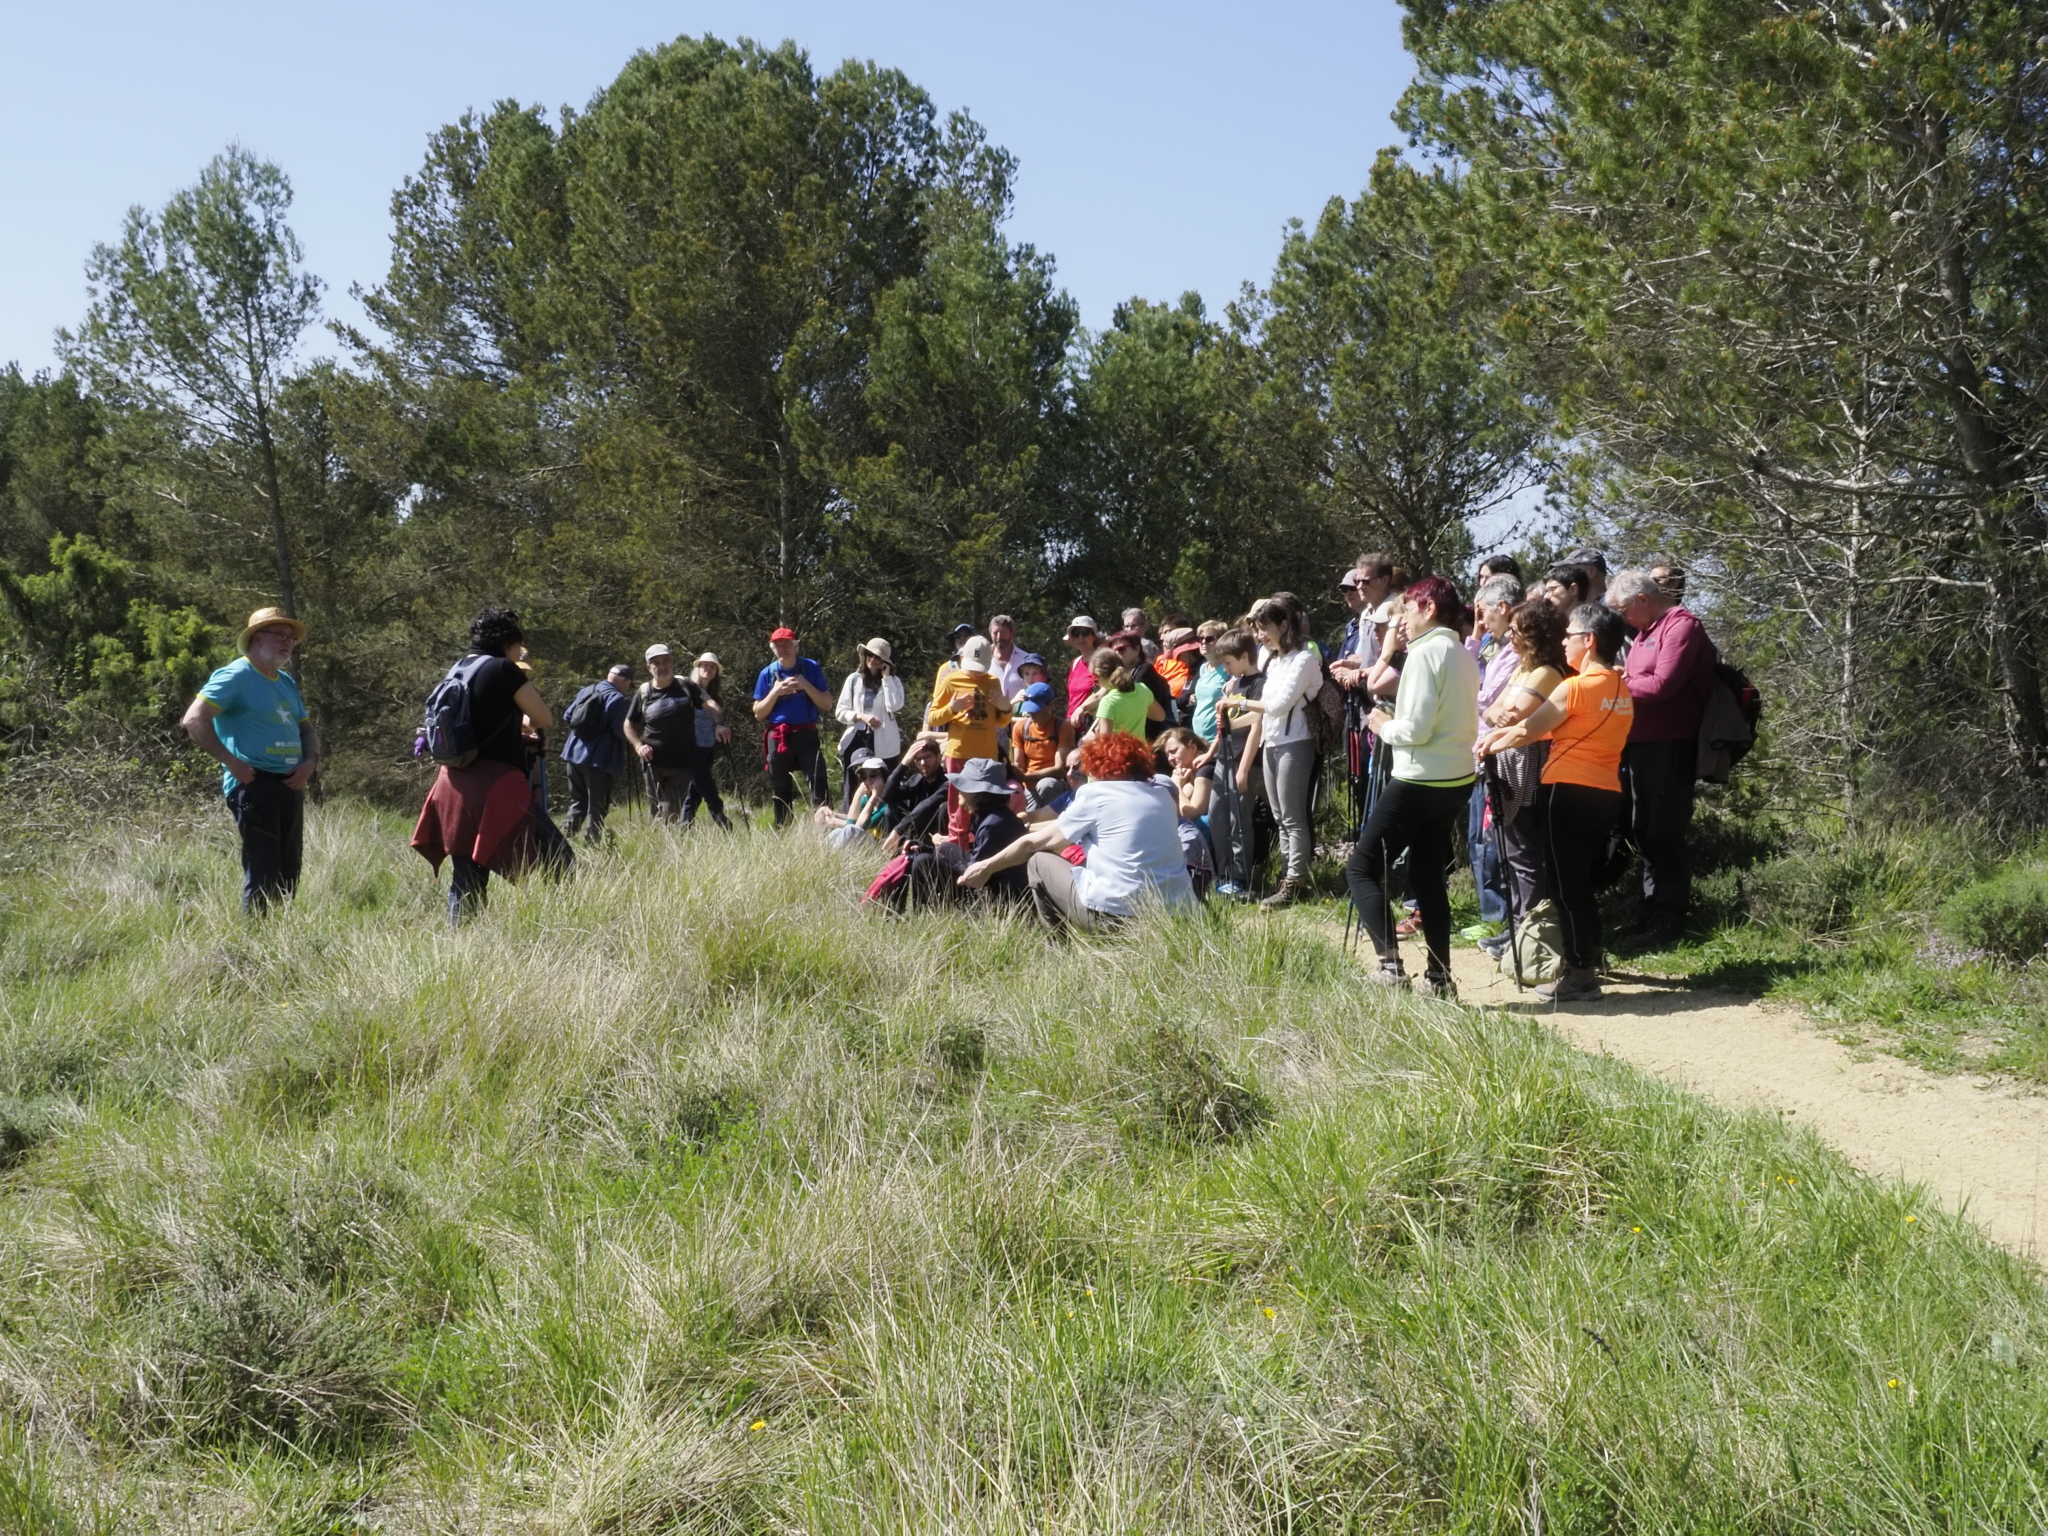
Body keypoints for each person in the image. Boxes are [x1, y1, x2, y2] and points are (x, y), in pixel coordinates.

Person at [1481, 605, 1635, 1001]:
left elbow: (1529, 730)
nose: (1564, 642)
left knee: (1565, 887)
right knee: (1581, 883)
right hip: (1606, 793)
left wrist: (1489, 744)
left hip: (1566, 791)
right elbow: (1559, 727)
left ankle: (1579, 974)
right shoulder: (1621, 688)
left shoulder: (1575, 687)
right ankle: (1590, 957)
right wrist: (1502, 736)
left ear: (1590, 640)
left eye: (1571, 635)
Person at [1344, 577, 1482, 996]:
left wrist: (1384, 726)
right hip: (1457, 777)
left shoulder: (1425, 653)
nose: (1400, 620)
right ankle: (1439, 978)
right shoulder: (1462, 652)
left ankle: (1390, 968)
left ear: (1428, 609)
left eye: (1406, 609)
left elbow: (1416, 729)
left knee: (1361, 868)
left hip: (1420, 777)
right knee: (1427, 876)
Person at [411, 607, 571, 923]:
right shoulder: (503, 669)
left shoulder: (458, 669)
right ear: (508, 642)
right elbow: (544, 717)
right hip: (494, 787)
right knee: (559, 857)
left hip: (452, 785)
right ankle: (562, 926)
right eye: (517, 646)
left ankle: (460, 944)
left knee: (467, 878)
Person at [958, 730, 1195, 928]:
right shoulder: (1163, 792)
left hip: (1117, 918)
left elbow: (1032, 844)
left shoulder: (1096, 794)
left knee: (1039, 861)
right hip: (1179, 915)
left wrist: (986, 867)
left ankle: (1058, 945)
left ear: (1099, 768)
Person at [182, 607, 318, 913]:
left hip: (290, 785)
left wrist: (309, 763)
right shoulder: (236, 675)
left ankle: (281, 934)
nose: (287, 643)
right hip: (254, 785)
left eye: (291, 638)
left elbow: (307, 731)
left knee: (289, 870)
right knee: (262, 871)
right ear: (257, 638)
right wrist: (232, 762)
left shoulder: (286, 683)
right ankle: (254, 937)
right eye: (280, 635)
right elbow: (194, 719)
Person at [1608, 568, 1717, 939]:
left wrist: (1620, 683)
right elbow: (1642, 680)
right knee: (1643, 829)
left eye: (1624, 610)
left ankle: (1670, 915)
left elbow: (1662, 686)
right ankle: (1649, 909)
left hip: (1671, 746)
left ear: (1643, 599)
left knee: (1664, 830)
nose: (1624, 620)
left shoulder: (1682, 627)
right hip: (1641, 746)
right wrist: (1626, 679)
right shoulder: (1645, 631)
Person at [1483, 600, 1573, 927]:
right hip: (1507, 760)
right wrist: (1499, 715)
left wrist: (1502, 716)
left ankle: (1530, 929)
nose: (1510, 636)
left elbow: (1516, 715)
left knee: (1524, 851)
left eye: (1516, 630)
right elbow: (1490, 710)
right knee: (1512, 851)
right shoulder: (1523, 669)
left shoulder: (1547, 672)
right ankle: (1517, 926)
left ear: (1534, 634)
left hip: (1528, 766)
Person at [1232, 596, 1322, 909]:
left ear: (1284, 625)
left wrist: (1239, 702)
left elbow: (1279, 705)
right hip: (1272, 742)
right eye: (1257, 630)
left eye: (1264, 628)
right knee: (1280, 815)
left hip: (1296, 742)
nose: (1260, 636)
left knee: (1293, 816)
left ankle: (1296, 881)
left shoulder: (1304, 659)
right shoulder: (1274, 661)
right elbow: (1268, 704)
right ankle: (1287, 876)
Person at [1462, 575, 1525, 934]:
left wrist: (1472, 697)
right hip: (1480, 751)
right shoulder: (1495, 646)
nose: (1481, 619)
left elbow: (1486, 699)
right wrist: (1474, 636)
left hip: (1500, 754)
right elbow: (1472, 681)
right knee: (1477, 838)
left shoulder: (1515, 651)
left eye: (1483, 611)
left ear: (1502, 607)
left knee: (1494, 840)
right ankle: (1492, 916)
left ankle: (1501, 919)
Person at [928, 635, 1014, 843]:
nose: (976, 672)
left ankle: (986, 845)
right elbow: (932, 717)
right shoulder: (950, 680)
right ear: (962, 659)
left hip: (986, 756)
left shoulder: (992, 682)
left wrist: (1006, 709)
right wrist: (952, 708)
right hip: (959, 754)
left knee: (988, 803)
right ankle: (957, 849)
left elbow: (1001, 722)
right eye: (973, 667)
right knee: (959, 808)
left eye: (980, 667)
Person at [1200, 628, 1263, 899]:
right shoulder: (1234, 684)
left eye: (1228, 663)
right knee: (1216, 815)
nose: (1225, 668)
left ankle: (1241, 878)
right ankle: (1223, 874)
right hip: (1223, 758)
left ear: (1244, 656)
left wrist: (1244, 769)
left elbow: (1256, 727)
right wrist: (1210, 754)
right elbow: (1223, 726)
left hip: (1243, 761)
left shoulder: (1259, 684)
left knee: (1239, 820)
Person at [752, 626, 833, 826]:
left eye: (787, 645)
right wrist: (776, 692)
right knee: (780, 788)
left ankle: (825, 830)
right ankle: (784, 829)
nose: (783, 649)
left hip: (807, 734)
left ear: (796, 646)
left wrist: (805, 685)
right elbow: (759, 713)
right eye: (778, 646)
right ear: (773, 650)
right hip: (778, 737)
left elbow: (827, 704)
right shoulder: (767, 674)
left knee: (819, 782)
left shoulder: (811, 667)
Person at [625, 644, 709, 824]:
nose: (662, 666)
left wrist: (720, 724)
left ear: (672, 662)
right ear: (648, 667)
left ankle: (666, 837)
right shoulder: (644, 692)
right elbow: (628, 723)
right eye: (656, 663)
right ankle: (659, 840)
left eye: (666, 661)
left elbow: (710, 704)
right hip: (651, 762)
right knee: (655, 811)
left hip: (681, 762)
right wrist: (638, 746)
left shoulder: (686, 685)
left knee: (671, 811)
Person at [559, 663, 634, 842]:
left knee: (578, 802)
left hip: (572, 754)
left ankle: (562, 841)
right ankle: (593, 843)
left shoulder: (587, 691)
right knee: (597, 805)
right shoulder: (617, 699)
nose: (628, 688)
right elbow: (621, 731)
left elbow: (568, 716)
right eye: (630, 684)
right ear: (624, 681)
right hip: (598, 760)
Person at [835, 638, 906, 807]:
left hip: (884, 740)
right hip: (857, 737)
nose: (873, 660)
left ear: (885, 662)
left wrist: (886, 678)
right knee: (854, 783)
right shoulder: (853, 680)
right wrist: (861, 716)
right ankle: (851, 818)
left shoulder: (893, 681)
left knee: (883, 782)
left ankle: (882, 818)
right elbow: (840, 712)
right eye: (870, 655)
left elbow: (894, 705)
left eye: (878, 657)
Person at [1159, 726, 1215, 884]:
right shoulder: (1191, 772)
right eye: (1167, 754)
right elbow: (1177, 810)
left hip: (1220, 832)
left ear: (1192, 748)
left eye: (1173, 751)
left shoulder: (1205, 769)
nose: (1170, 758)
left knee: (1197, 824)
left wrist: (1176, 785)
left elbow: (1192, 813)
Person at [684, 653, 733, 828]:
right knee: (706, 786)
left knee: (695, 790)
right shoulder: (687, 690)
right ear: (698, 668)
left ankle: (684, 825)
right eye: (705, 665)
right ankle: (722, 821)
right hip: (692, 747)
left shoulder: (714, 696)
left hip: (708, 746)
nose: (708, 669)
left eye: (712, 667)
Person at [1075, 644, 1165, 740]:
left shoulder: (1108, 702)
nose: (1096, 681)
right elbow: (1160, 716)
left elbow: (1105, 743)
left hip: (1119, 750)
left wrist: (1093, 737)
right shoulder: (1142, 689)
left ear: (1100, 675)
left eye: (1095, 677)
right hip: (1140, 748)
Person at [881, 736, 950, 846]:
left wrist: (898, 830)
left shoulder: (947, 781)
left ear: (938, 757)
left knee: (941, 807)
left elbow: (927, 806)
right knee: (892, 807)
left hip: (936, 838)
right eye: (918, 759)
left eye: (927, 757)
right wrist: (903, 764)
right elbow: (887, 797)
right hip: (914, 834)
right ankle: (890, 850)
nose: (923, 763)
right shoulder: (916, 780)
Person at [818, 749, 894, 847]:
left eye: (873, 774)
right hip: (867, 842)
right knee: (837, 832)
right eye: (864, 776)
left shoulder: (888, 803)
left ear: (884, 777)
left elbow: (859, 826)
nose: (868, 780)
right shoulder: (866, 799)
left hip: (880, 847)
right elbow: (851, 822)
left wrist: (873, 797)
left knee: (849, 830)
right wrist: (857, 797)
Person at [1009, 681, 1075, 783]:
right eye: (1029, 709)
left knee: (1046, 785)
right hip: (1027, 784)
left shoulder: (1064, 727)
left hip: (1053, 782)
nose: (1031, 713)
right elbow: (1019, 764)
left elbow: (1059, 768)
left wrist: (1027, 778)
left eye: (1036, 709)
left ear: (1050, 705)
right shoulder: (1020, 727)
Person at [986, 614, 1039, 700]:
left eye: (1003, 632)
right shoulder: (982, 659)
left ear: (1012, 633)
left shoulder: (1025, 660)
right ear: (990, 634)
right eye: (995, 633)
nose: (999, 637)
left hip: (1019, 709)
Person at [1062, 616, 1102, 716]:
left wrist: (1083, 708)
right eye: (1076, 634)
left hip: (1091, 721)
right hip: (1071, 721)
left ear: (1094, 636)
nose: (1080, 637)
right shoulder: (1075, 662)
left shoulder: (1101, 660)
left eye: (1085, 632)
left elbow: (1104, 692)